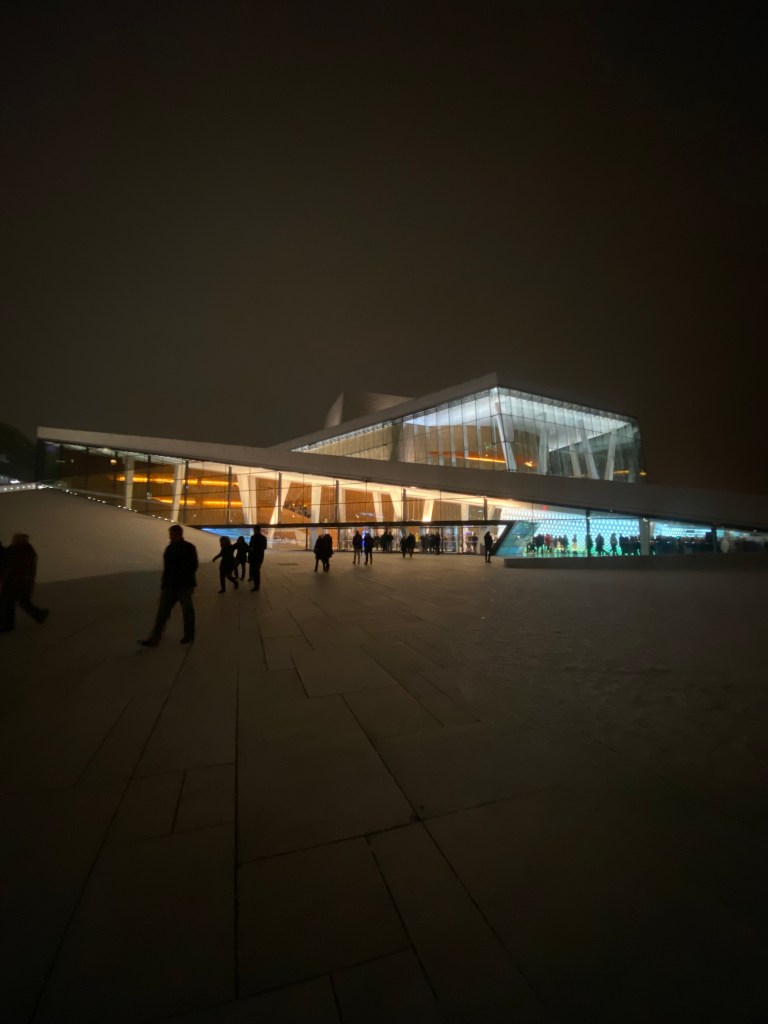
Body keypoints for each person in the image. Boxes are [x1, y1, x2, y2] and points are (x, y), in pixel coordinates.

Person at [139, 524, 198, 646]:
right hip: (172, 585)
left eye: (172, 534)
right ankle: (155, 637)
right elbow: (167, 568)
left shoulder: (187, 548)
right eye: (170, 534)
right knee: (163, 613)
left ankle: (188, 634)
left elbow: (193, 566)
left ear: (179, 534)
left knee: (186, 612)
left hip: (183, 586)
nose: (170, 536)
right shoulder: (171, 548)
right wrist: (164, 583)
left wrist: (185, 580)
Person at [0, 533, 49, 633]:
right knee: (22, 601)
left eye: (16, 538)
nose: (14, 540)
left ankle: (8, 625)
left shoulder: (24, 551)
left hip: (17, 581)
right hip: (17, 581)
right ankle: (39, 614)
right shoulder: (16, 549)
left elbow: (20, 567)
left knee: (9, 602)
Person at [248, 526, 267, 591]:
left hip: (256, 557)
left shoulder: (254, 537)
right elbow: (264, 547)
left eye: (254, 529)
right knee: (255, 570)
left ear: (257, 530)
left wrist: (253, 549)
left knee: (256, 571)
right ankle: (255, 583)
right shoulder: (263, 538)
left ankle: (256, 586)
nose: (254, 530)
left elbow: (263, 547)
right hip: (257, 557)